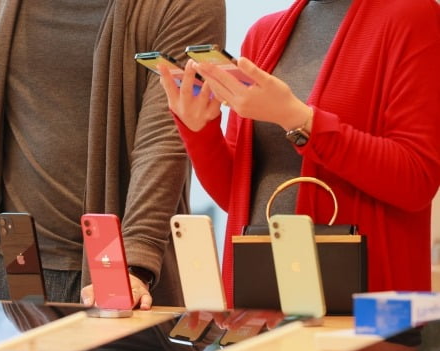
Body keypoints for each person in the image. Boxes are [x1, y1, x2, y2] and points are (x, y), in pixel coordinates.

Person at [0, 0, 226, 308]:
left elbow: (164, 139)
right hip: (7, 265)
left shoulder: (182, 4)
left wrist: (134, 260)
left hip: (120, 272)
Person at [160, 0, 440, 307]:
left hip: (366, 304)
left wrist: (299, 120)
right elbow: (237, 197)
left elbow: (417, 180)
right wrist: (201, 132)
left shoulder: (413, 15)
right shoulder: (263, 35)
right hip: (261, 293)